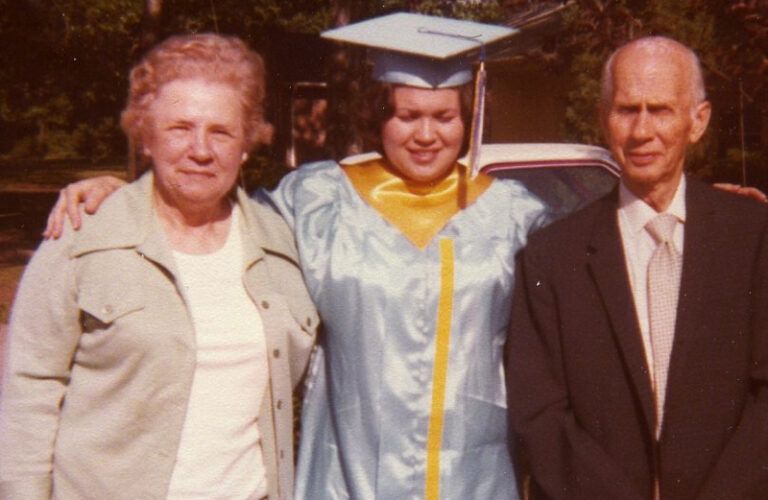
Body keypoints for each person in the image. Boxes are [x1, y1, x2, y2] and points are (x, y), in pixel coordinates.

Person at [40, 13, 548, 499]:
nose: (425, 134)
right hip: (346, 470)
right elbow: (209, 214)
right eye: (407, 115)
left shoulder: (513, 216)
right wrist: (122, 191)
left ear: (467, 119)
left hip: (471, 470)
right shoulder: (317, 200)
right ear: (379, 116)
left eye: (444, 117)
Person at [0, 33, 318, 499]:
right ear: (145, 136)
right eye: (179, 128)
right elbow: (31, 387)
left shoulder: (281, 241)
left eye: (221, 131)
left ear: (247, 145)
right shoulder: (84, 236)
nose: (201, 149)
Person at [507, 36, 768, 499]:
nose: (642, 130)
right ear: (604, 120)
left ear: (698, 120)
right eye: (627, 110)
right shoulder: (552, 255)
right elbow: (540, 414)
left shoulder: (753, 238)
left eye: (661, 109)